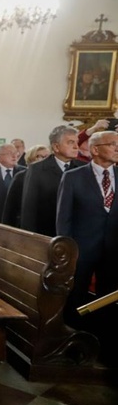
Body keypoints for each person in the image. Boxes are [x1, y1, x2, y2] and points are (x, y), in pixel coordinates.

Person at [56, 130, 118, 331]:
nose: (117, 148)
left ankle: (104, 342)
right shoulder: (73, 177)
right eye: (112, 144)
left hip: (113, 251)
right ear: (95, 149)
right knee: (77, 298)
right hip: (82, 251)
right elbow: (63, 219)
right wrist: (67, 253)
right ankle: (75, 342)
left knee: (108, 299)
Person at [21, 126, 86, 237]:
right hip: (46, 233)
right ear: (56, 147)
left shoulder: (83, 168)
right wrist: (29, 238)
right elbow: (29, 208)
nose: (76, 147)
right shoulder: (37, 169)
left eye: (77, 142)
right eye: (71, 142)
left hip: (77, 234)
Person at [1, 145, 50, 228]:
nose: (44, 159)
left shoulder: (52, 177)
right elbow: (10, 207)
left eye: (46, 157)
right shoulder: (21, 177)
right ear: (31, 159)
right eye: (39, 156)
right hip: (24, 224)